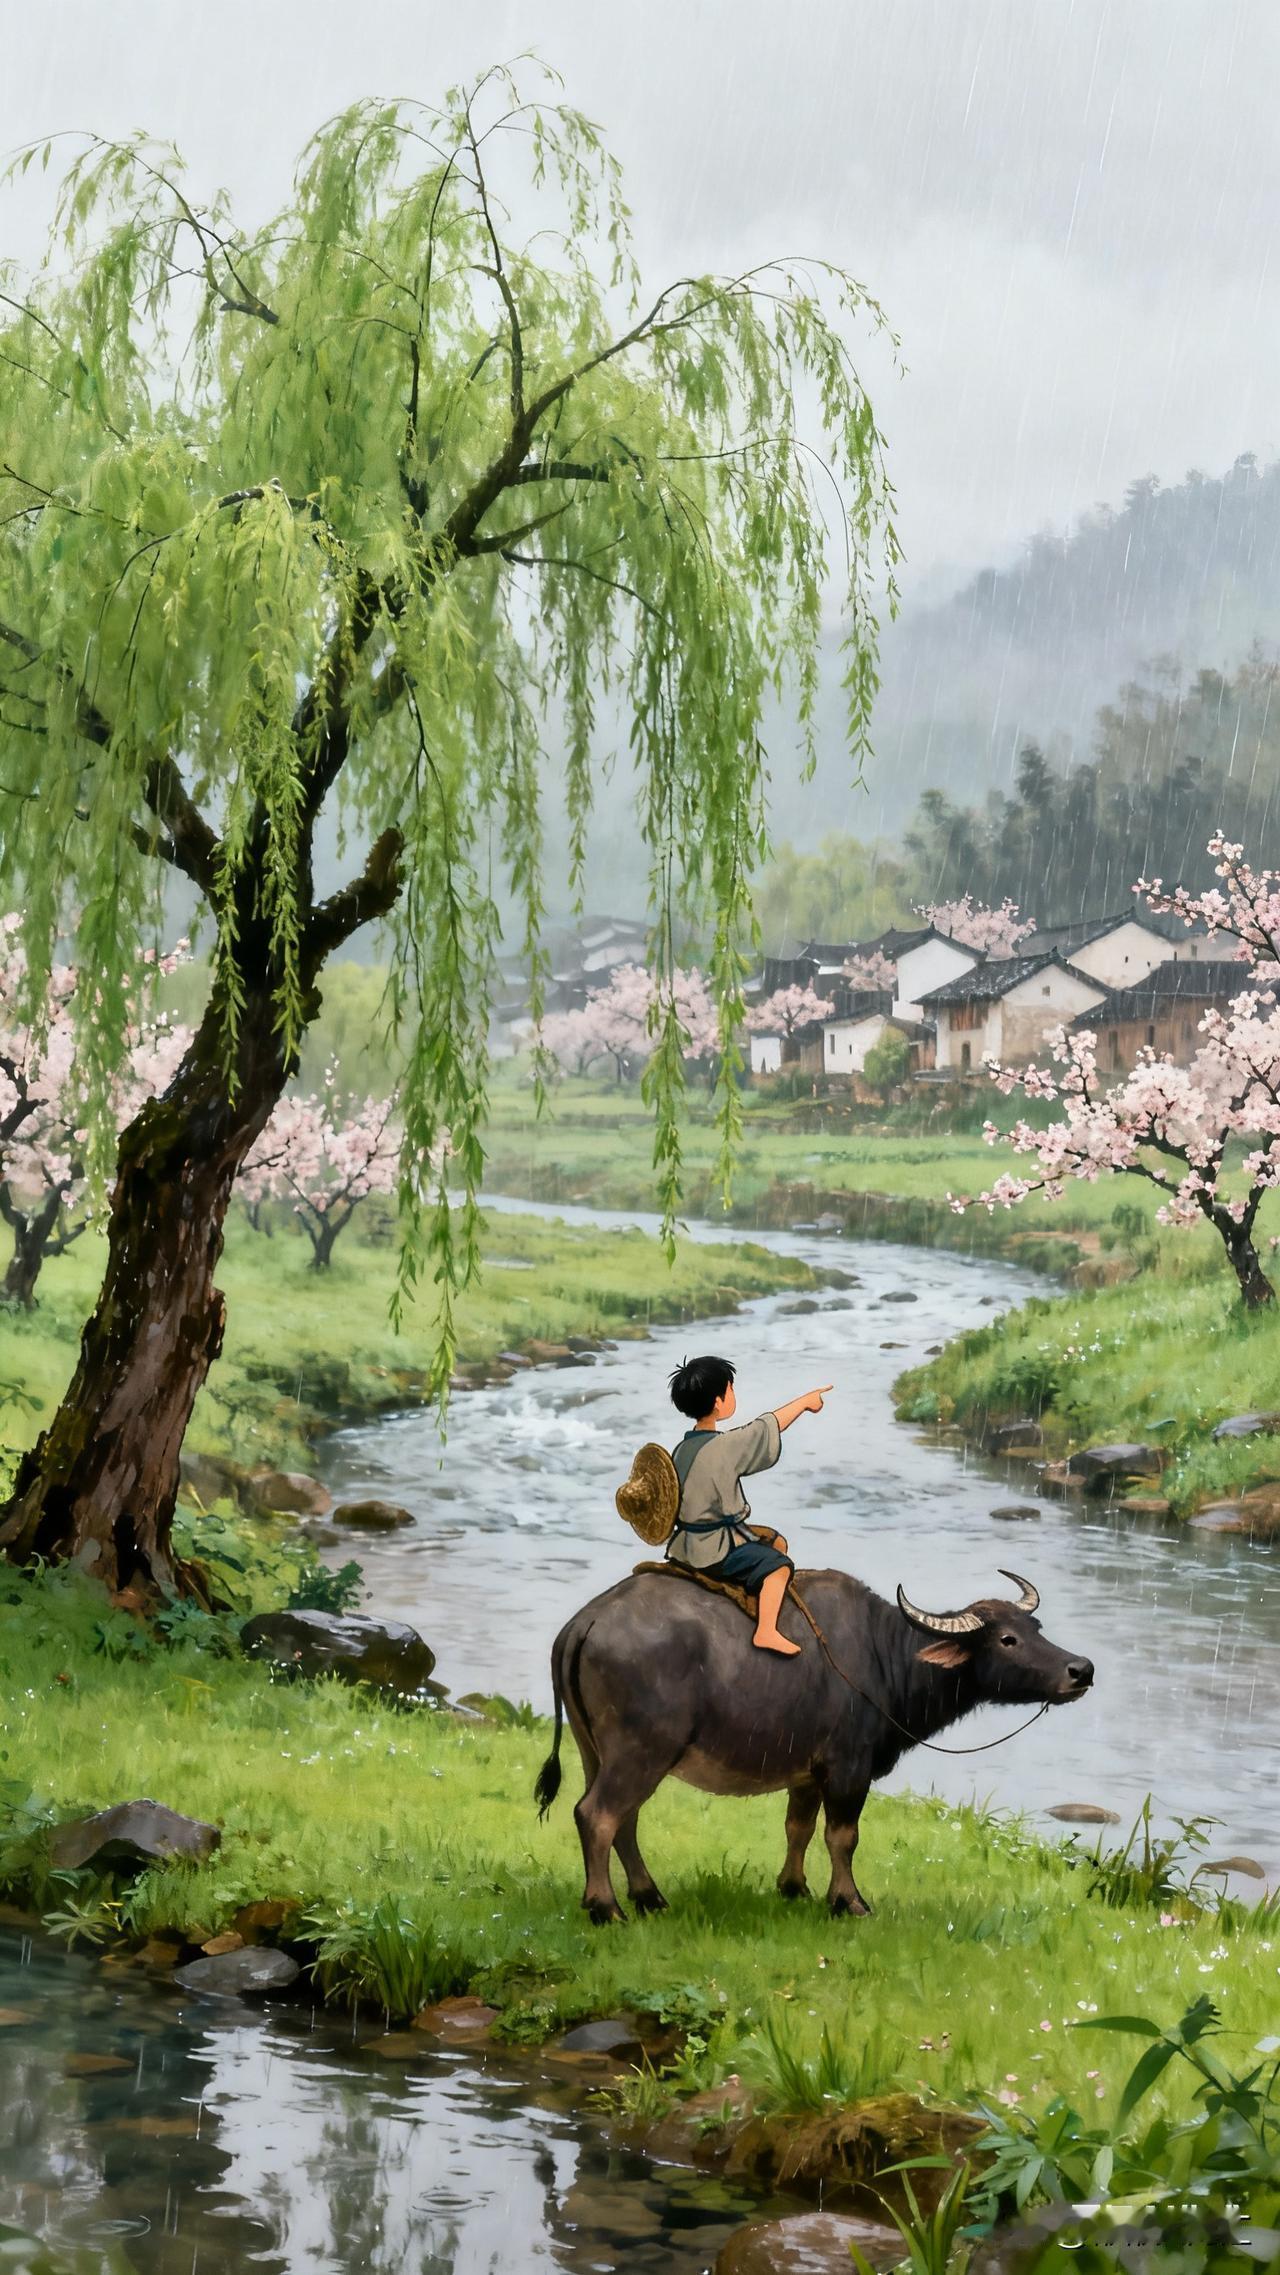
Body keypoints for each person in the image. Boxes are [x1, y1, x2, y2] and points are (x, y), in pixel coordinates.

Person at [666, 1354, 832, 1656]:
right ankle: (766, 1631)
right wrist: (806, 1402)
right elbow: (764, 1428)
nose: (733, 1396)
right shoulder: (724, 1446)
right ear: (719, 1401)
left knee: (775, 1540)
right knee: (779, 1565)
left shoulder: (681, 1448)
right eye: (731, 1390)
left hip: (685, 1541)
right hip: (712, 1546)